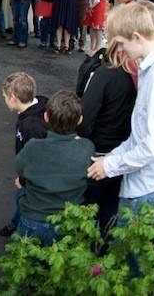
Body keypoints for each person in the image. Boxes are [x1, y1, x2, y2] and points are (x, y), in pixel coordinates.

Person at [87, 1, 154, 225]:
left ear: (136, 36)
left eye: (121, 43)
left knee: (130, 257)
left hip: (149, 187)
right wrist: (111, 158)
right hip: (144, 184)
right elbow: (141, 134)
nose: (120, 50)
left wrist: (110, 165)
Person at [15, 91, 94, 245]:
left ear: (46, 117)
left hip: (33, 218)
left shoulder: (33, 147)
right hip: (67, 221)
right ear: (80, 120)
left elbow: (19, 168)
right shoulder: (87, 148)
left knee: (27, 262)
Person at [77, 41, 137, 236]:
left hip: (98, 155)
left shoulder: (104, 74)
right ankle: (104, 253)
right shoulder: (141, 78)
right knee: (111, 210)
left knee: (88, 212)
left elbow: (85, 119)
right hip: (124, 157)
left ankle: (89, 252)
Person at [0, 72, 48, 237]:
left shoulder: (31, 125)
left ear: (13, 97)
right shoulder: (37, 106)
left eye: (4, 96)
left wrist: (24, 179)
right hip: (28, 174)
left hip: (33, 178)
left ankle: (22, 230)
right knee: (21, 197)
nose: (4, 99)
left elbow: (36, 159)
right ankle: (16, 222)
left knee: (24, 198)